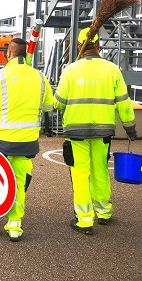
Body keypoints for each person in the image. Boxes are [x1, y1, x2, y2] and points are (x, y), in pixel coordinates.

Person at [54, 27, 136, 235]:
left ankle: (84, 220)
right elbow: (124, 103)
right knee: (100, 170)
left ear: (80, 47)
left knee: (80, 173)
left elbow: (59, 103)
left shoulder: (70, 70)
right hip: (103, 130)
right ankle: (104, 212)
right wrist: (130, 127)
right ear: (98, 45)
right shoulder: (112, 70)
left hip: (76, 131)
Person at [0, 38, 54, 241]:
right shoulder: (40, 77)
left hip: (2, 143)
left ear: (8, 53)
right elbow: (49, 107)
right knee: (19, 183)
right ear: (25, 55)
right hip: (27, 142)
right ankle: (15, 226)